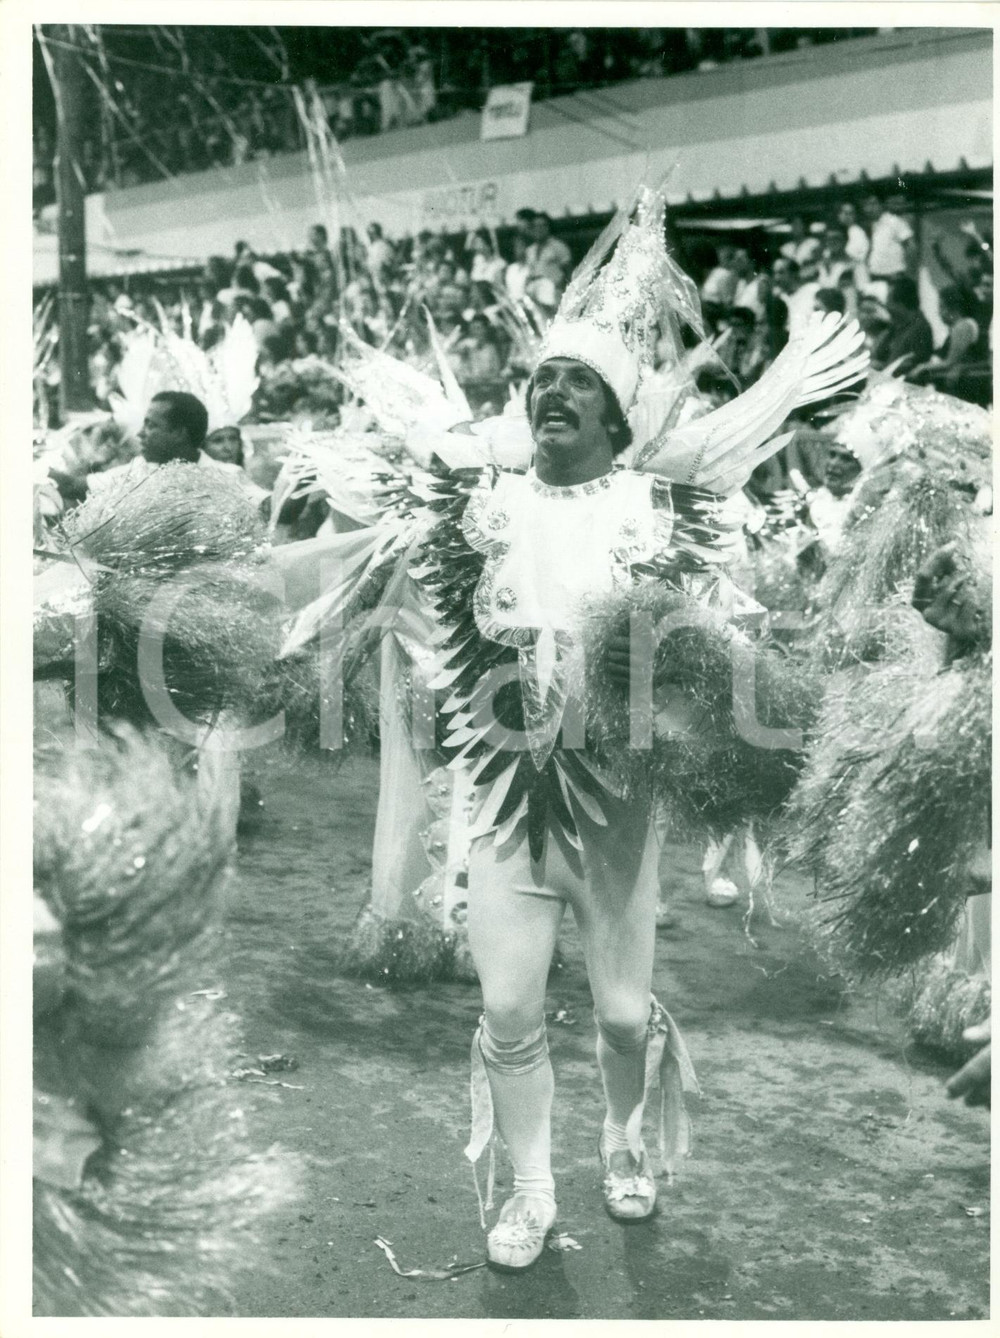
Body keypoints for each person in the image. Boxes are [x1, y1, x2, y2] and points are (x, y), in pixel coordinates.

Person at [881, 275, 934, 373]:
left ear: (901, 304)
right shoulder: (898, 326)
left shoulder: (920, 328)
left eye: (889, 300)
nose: (886, 305)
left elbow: (913, 365)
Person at [862, 193, 915, 283]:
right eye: (867, 204)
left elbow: (911, 247)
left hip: (894, 276)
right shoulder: (873, 225)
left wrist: (908, 273)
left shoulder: (894, 221)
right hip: (876, 276)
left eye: (873, 204)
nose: (870, 208)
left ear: (882, 205)